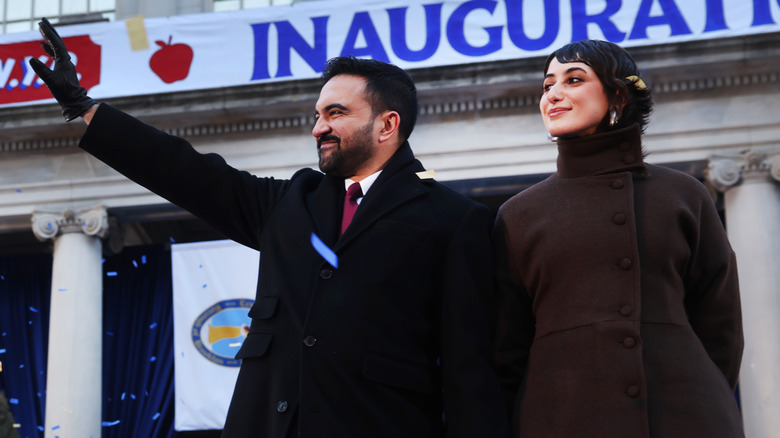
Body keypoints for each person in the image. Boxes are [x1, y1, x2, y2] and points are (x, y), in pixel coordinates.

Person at [30, 18, 509, 438]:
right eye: (317, 115)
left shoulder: (453, 220)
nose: (318, 127)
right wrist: (84, 107)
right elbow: (185, 171)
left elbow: (470, 372)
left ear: (387, 125)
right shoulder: (291, 201)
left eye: (336, 113)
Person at [492, 40, 744, 437]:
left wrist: (700, 394)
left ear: (619, 95)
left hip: (686, 416)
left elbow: (721, 323)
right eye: (547, 85)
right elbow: (506, 349)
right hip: (561, 419)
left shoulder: (682, 194)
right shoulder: (518, 214)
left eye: (574, 80)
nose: (554, 94)